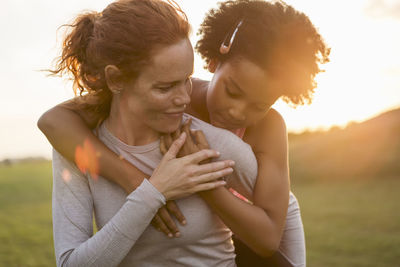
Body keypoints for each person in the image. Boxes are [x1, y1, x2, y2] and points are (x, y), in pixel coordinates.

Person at [39, 0, 330, 266]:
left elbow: (269, 235)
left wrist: (204, 182)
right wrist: (139, 182)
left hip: (267, 222)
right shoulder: (174, 98)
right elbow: (53, 121)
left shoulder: (265, 126)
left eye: (259, 105)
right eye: (232, 91)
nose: (238, 113)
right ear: (215, 61)